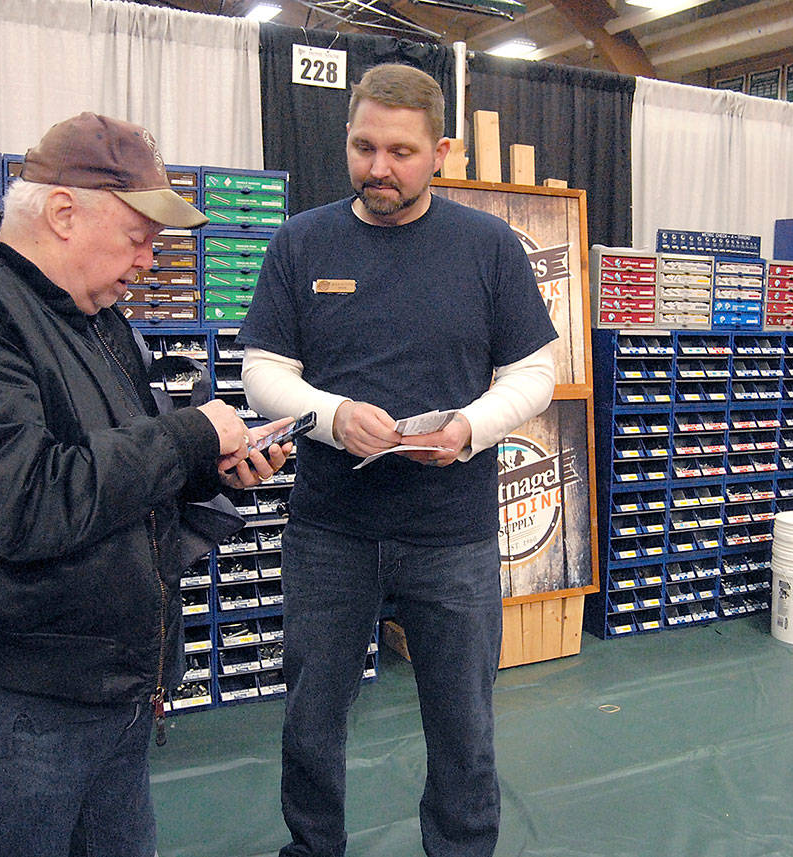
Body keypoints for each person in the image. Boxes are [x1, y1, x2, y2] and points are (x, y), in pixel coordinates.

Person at [0, 112, 292, 857]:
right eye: (139, 237)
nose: (149, 259)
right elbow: (23, 503)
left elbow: (114, 455)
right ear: (63, 211)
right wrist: (192, 434)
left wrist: (208, 465)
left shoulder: (91, 312)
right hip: (19, 700)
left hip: (109, 681)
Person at [238, 64, 559, 857]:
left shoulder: (486, 246)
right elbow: (261, 370)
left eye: (402, 152)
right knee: (311, 719)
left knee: (464, 726)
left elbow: (535, 374)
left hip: (452, 536)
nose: (379, 168)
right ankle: (313, 848)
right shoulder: (302, 239)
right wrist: (331, 416)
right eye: (363, 147)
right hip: (330, 531)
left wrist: (471, 427)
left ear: (440, 151)